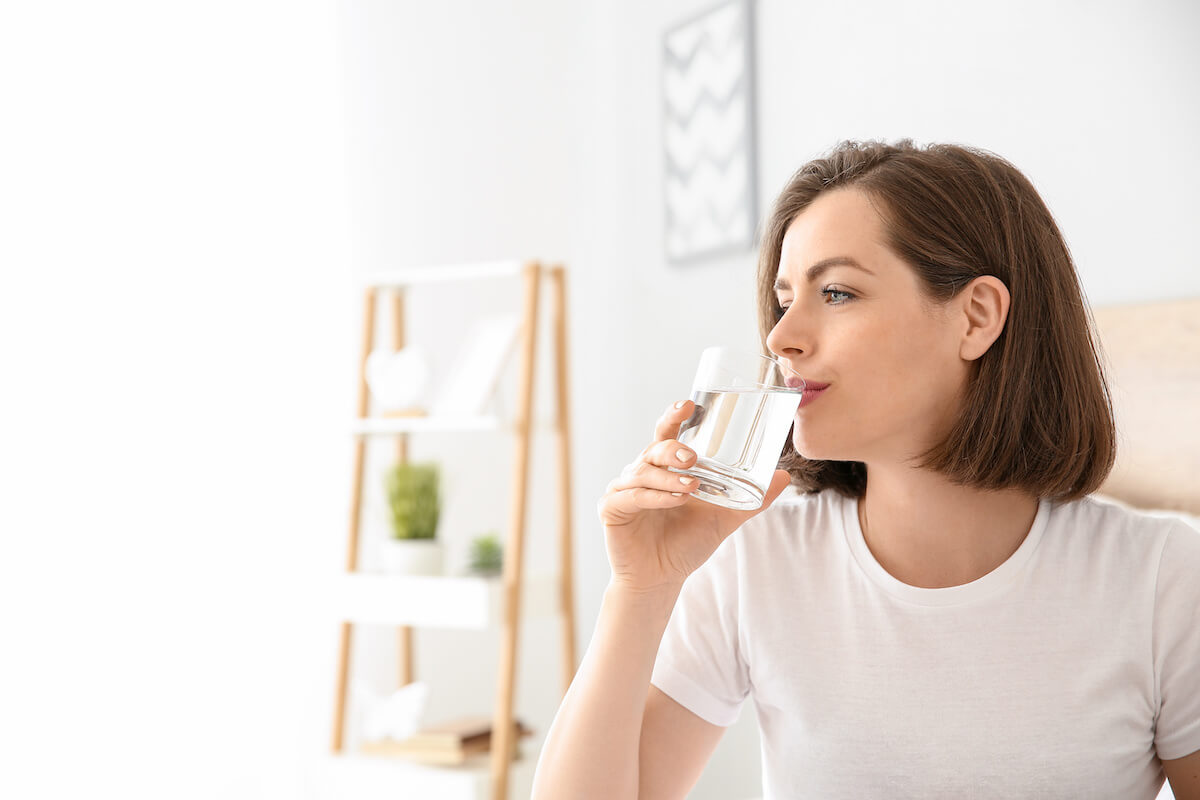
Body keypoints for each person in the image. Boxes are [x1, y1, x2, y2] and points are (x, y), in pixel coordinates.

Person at [531, 140, 1200, 799]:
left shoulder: (1161, 580)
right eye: (785, 297)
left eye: (837, 292)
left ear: (977, 317)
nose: (780, 337)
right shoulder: (756, 562)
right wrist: (641, 591)